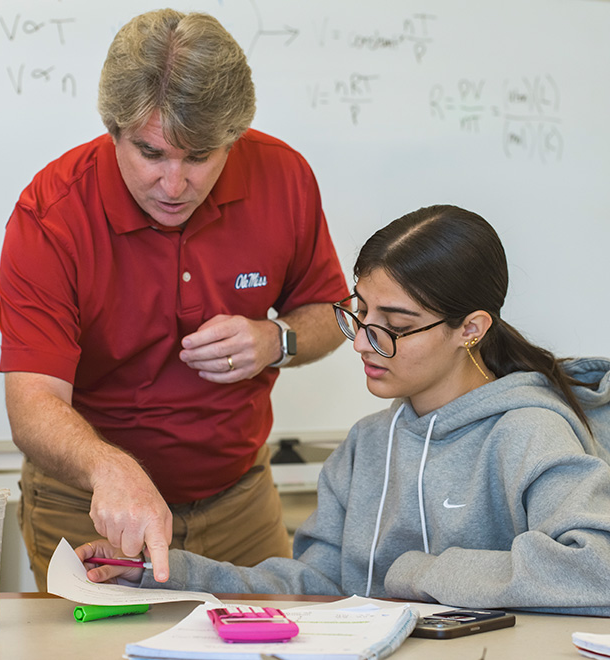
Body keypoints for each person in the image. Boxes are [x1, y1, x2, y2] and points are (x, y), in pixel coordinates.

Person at [77, 205, 610, 615]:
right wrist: (160, 574)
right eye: (359, 314)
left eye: (395, 327)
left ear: (470, 328)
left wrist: (415, 574)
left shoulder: (530, 430)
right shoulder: (367, 443)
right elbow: (320, 587)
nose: (361, 343)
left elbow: (596, 570)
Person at [0, 9, 348, 591]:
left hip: (241, 503)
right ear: (113, 129)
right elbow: (32, 401)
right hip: (92, 504)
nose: (174, 185)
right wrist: (109, 468)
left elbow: (332, 314)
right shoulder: (51, 215)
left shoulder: (284, 177)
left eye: (201, 155)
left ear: (233, 137)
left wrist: (276, 339)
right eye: (151, 154)